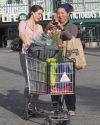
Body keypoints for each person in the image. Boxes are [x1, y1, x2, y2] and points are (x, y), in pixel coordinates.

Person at [46, 3, 78, 116]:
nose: (60, 15)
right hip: (53, 58)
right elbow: (46, 36)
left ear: (68, 14)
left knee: (67, 83)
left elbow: (71, 37)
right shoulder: (52, 25)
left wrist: (61, 27)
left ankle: (71, 107)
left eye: (62, 13)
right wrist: (50, 27)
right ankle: (56, 106)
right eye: (58, 13)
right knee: (54, 83)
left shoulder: (72, 26)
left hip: (67, 58)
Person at [18, 5, 44, 113]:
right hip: (26, 54)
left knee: (38, 81)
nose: (40, 16)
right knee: (29, 81)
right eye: (39, 13)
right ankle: (27, 108)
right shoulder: (23, 23)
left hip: (37, 56)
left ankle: (33, 106)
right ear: (32, 13)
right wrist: (28, 43)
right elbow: (22, 35)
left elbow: (42, 40)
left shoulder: (39, 27)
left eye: (41, 14)